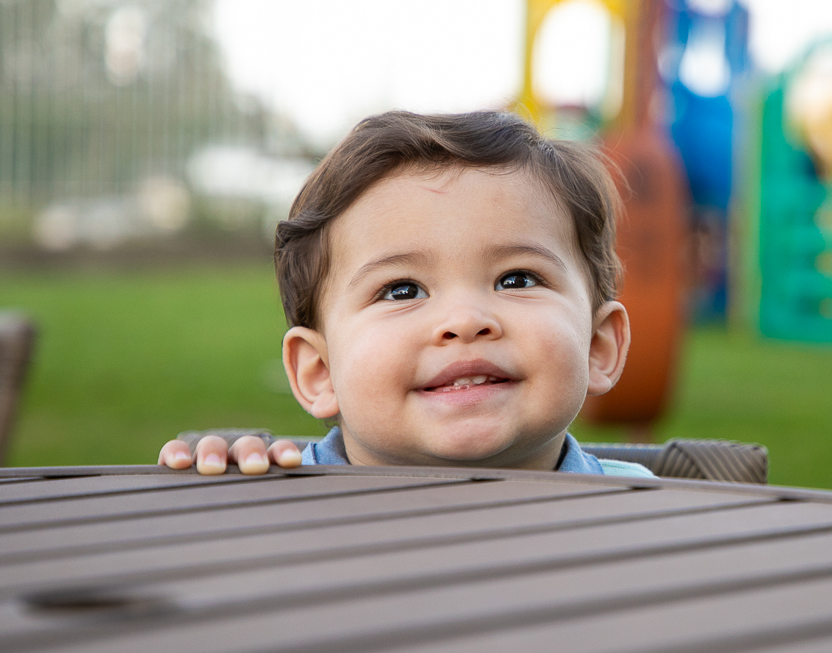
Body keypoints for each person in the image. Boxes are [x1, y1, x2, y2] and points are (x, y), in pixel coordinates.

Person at [158, 110, 652, 478]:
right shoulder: (265, 503)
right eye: (401, 290)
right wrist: (219, 488)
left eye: (517, 279)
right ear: (319, 371)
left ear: (598, 345)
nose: (464, 319)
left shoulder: (659, 517)